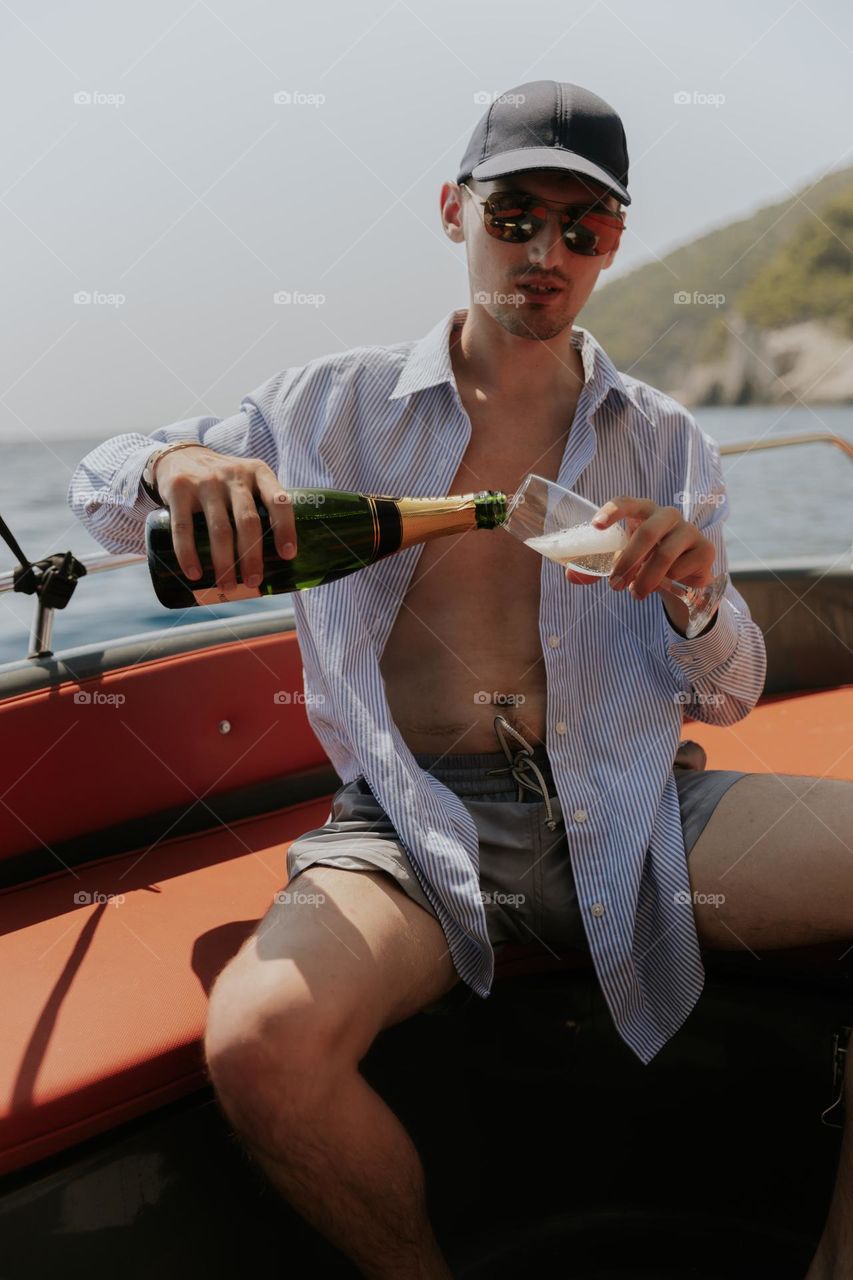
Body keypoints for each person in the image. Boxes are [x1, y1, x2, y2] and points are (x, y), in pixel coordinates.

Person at [68, 79, 853, 1280]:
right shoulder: (328, 409)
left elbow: (734, 685)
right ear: (454, 211)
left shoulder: (663, 439)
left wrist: (695, 598)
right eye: (514, 214)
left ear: (612, 244)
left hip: (638, 798)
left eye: (580, 227)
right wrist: (177, 461)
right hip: (409, 822)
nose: (544, 251)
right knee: (262, 1044)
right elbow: (101, 490)